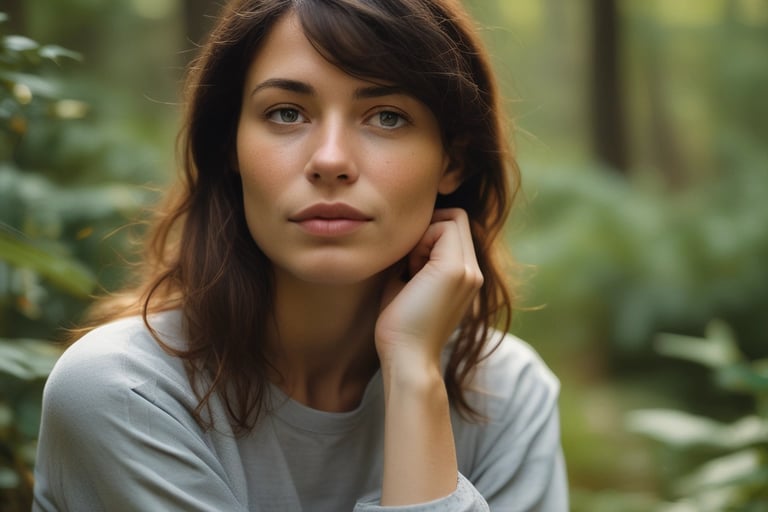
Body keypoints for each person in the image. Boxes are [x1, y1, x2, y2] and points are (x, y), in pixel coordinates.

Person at [33, 0, 568, 510]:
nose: (330, 160)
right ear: (230, 147)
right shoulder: (126, 392)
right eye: (287, 112)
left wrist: (413, 373)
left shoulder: (504, 395)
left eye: (386, 116)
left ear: (451, 160)